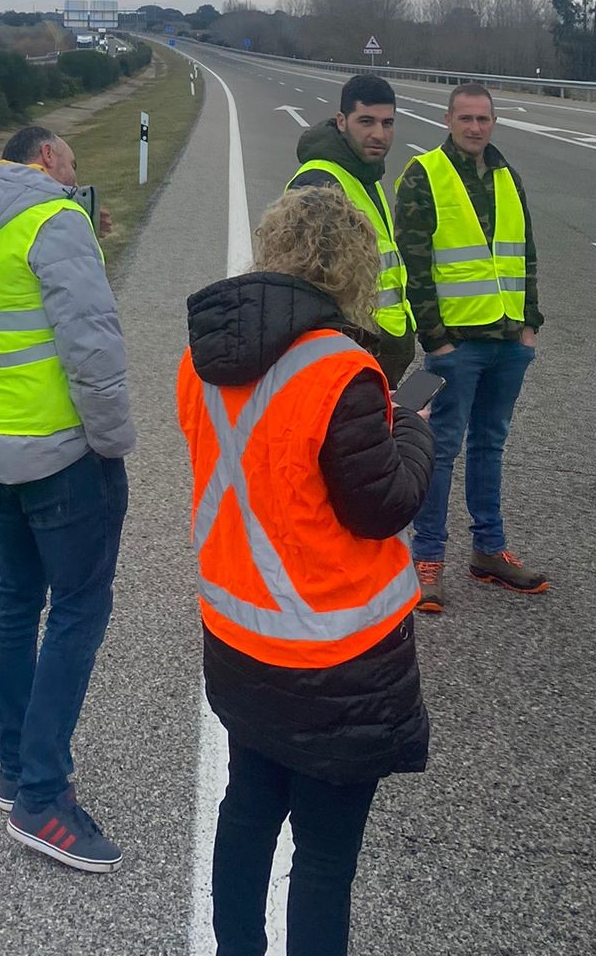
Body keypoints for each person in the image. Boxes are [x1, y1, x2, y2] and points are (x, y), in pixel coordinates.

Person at [176, 187, 433, 956]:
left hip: (240, 637)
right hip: (336, 657)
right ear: (353, 269)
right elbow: (382, 504)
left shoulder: (202, 359)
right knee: (323, 858)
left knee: (248, 810)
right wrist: (413, 431)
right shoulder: (341, 370)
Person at [0, 124, 134, 875]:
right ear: (48, 157)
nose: (73, 180)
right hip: (60, 450)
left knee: (18, 600)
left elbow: (17, 306)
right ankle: (43, 797)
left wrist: (85, 236)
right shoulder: (55, 219)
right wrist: (112, 441)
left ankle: (14, 765)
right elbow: (91, 342)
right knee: (79, 608)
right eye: (71, 166)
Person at [394, 82, 547, 613]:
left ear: (493, 122)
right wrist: (435, 339)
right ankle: (428, 558)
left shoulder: (507, 176)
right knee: (440, 449)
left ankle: (488, 550)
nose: (475, 127)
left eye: (484, 118)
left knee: (490, 445)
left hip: (508, 340)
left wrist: (530, 324)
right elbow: (413, 263)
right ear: (448, 120)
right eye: (466, 118)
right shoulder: (424, 174)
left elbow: (525, 253)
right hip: (457, 345)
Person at [287, 74, 415, 384]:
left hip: (373, 354)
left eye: (387, 123)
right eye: (366, 121)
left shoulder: (364, 175)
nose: (379, 134)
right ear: (342, 121)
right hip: (349, 360)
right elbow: (306, 291)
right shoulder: (320, 184)